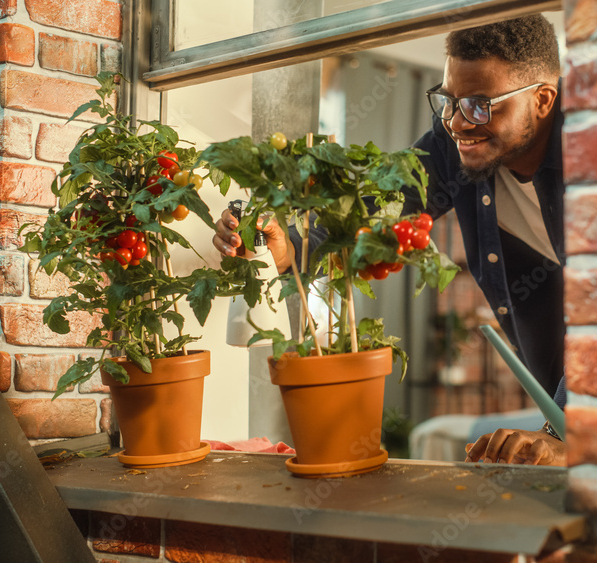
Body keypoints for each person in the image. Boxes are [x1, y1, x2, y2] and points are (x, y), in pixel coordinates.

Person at [213, 15, 567, 466]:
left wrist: (572, 427)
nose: (458, 124)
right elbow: (378, 209)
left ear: (542, 100)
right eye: (448, 101)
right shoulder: (451, 141)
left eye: (480, 104)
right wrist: (288, 249)